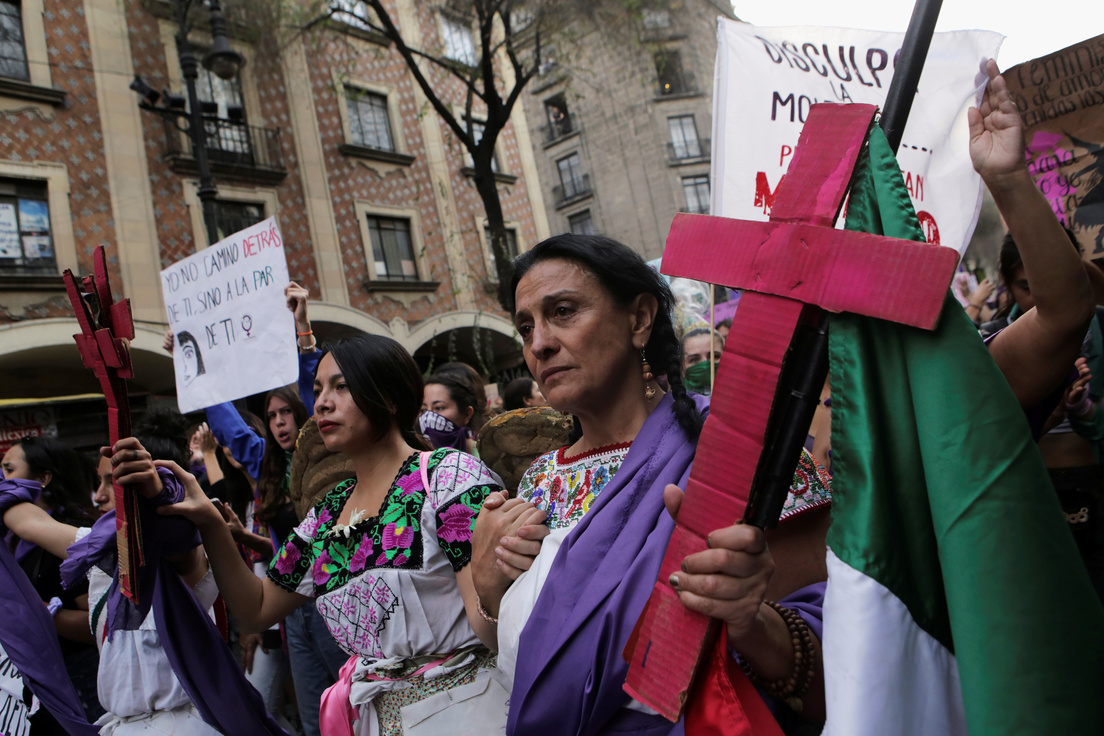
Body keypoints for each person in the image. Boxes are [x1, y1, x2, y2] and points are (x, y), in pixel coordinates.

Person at [471, 234, 833, 735]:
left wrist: (748, 622)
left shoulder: (741, 458)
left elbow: (830, 676)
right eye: (526, 326)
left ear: (639, 319)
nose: (539, 344)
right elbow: (541, 663)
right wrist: (488, 586)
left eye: (564, 311)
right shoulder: (538, 482)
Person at [161, 335, 510, 735]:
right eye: (318, 390)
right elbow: (256, 607)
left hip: (467, 714)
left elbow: (492, 627)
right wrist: (210, 523)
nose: (322, 403)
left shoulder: (448, 477)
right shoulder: (326, 515)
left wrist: (495, 587)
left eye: (341, 386)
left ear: (389, 397)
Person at [0, 437, 287, 735]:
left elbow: (176, 541)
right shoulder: (101, 548)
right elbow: (28, 524)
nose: (99, 496)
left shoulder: (184, 551)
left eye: (113, 482)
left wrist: (157, 492)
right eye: (99, 482)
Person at [0, 436, 102, 724]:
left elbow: (100, 619)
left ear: (43, 478)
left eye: (9, 470)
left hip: (81, 678)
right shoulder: (15, 540)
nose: (2, 480)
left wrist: (38, 614)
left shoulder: (69, 536)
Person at [420, 370, 481, 453]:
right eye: (423, 410)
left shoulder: (486, 458)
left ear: (467, 414)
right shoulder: (416, 458)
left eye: (439, 408)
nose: (428, 416)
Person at [680, 326, 724, 396]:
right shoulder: (673, 401)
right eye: (694, 359)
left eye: (715, 356)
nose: (705, 365)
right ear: (682, 367)